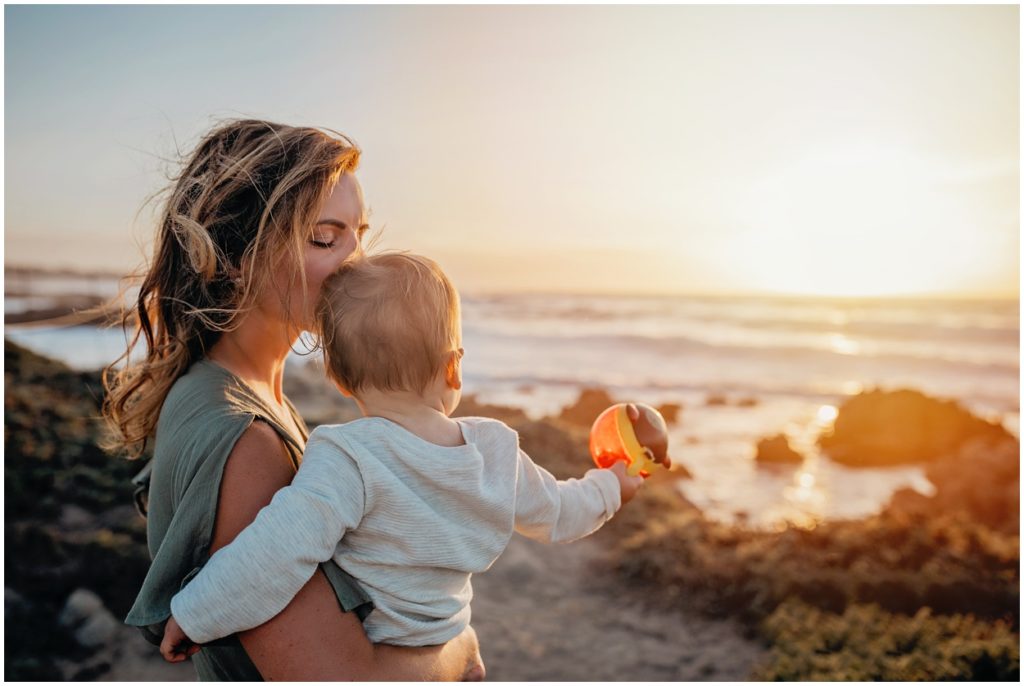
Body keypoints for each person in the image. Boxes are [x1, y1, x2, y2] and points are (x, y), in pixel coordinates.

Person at [102, 119, 485, 680]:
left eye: (358, 234)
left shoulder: (241, 388)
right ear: (233, 256)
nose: (355, 262)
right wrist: (462, 647)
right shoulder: (247, 441)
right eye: (324, 238)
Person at [158, 252, 667, 659]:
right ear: (454, 370)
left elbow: (277, 548)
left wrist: (197, 615)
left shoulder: (347, 455)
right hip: (446, 641)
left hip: (379, 647)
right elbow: (560, 512)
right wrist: (613, 486)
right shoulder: (494, 448)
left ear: (337, 378)